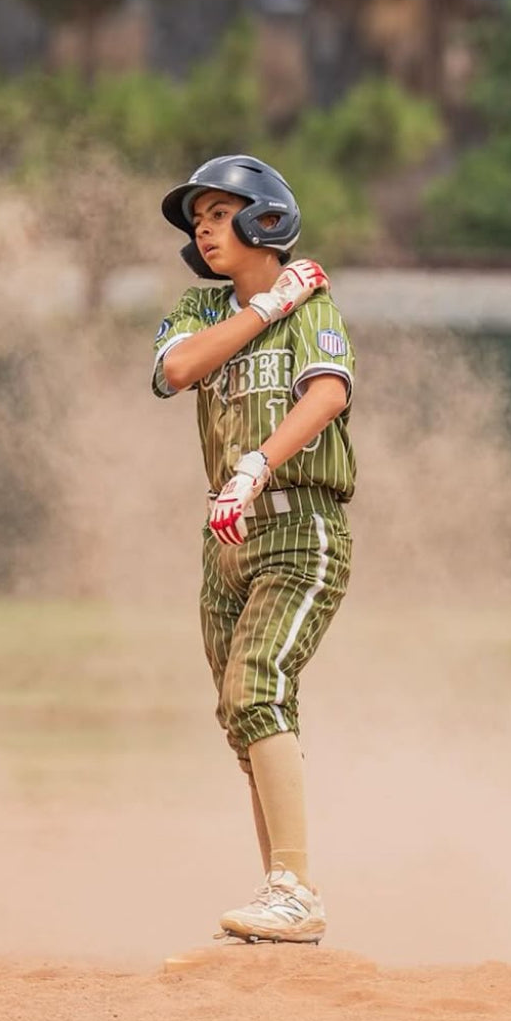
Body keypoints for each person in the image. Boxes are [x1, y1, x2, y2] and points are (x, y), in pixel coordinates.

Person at [151, 154, 356, 944]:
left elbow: (328, 392)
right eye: (196, 220)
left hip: (297, 526)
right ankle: (282, 891)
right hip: (226, 542)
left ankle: (295, 890)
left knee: (256, 685)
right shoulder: (204, 306)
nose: (204, 230)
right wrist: (269, 303)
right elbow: (177, 369)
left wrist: (255, 463)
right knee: (244, 715)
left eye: (217, 213)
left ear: (264, 218)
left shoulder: (316, 300)